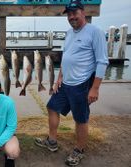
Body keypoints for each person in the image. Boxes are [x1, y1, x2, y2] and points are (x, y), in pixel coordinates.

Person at [34, 0, 109, 166]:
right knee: (52, 107)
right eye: (68, 14)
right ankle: (52, 141)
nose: (71, 17)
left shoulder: (95, 32)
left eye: (74, 13)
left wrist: (95, 88)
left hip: (82, 84)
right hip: (65, 83)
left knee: (80, 119)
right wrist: (59, 78)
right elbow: (66, 58)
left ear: (83, 12)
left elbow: (102, 62)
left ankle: (79, 150)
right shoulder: (69, 33)